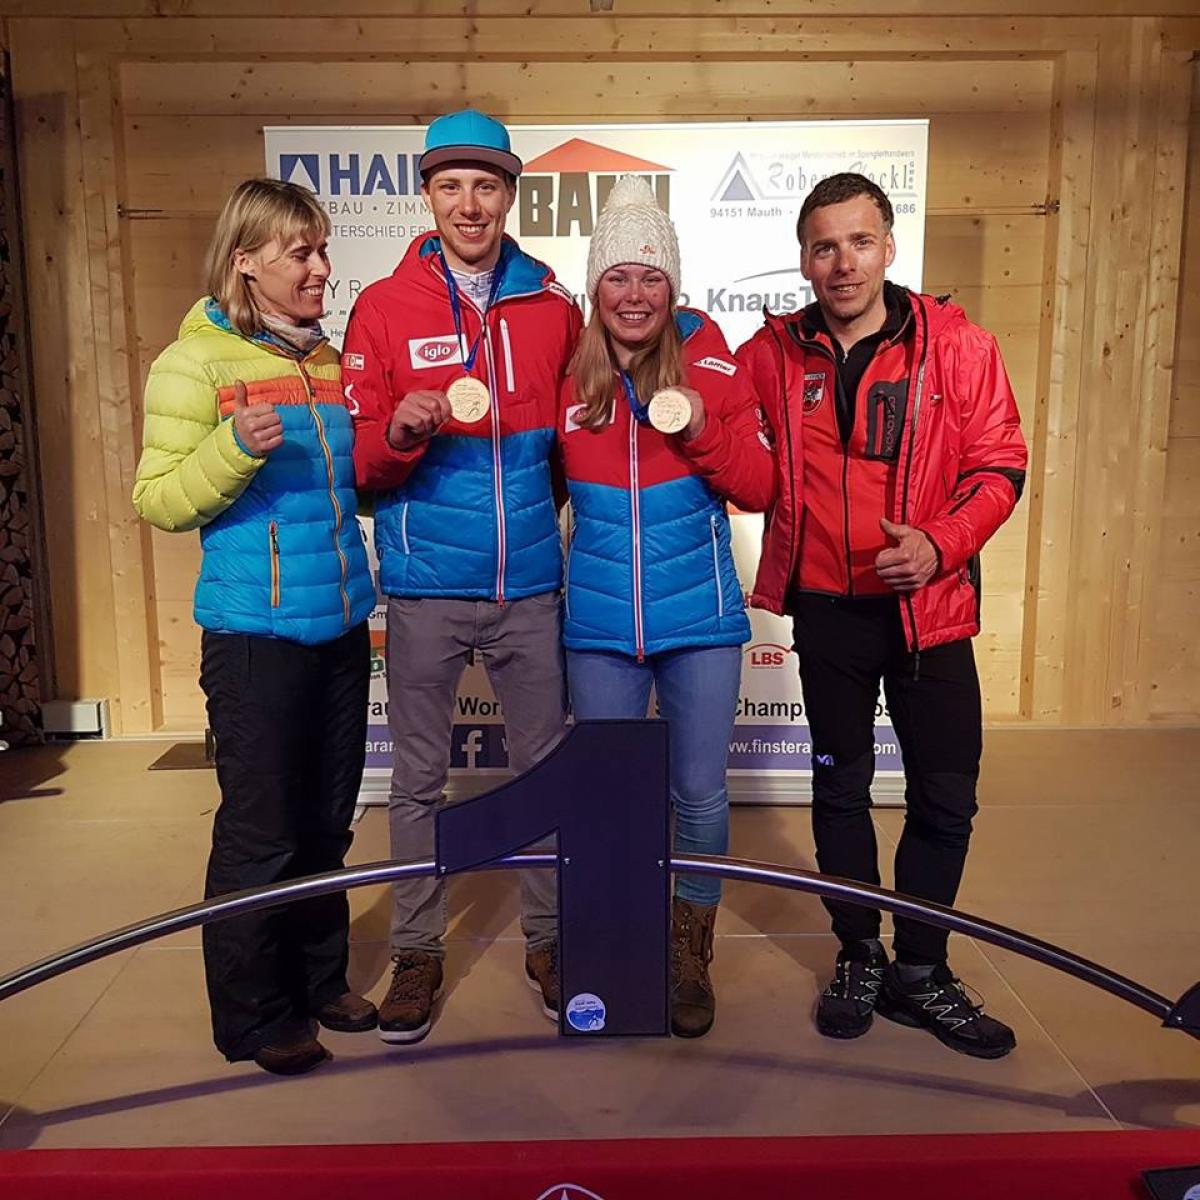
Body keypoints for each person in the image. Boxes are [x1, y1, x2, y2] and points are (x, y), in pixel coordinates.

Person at [737, 172, 1028, 1059]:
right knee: (839, 789)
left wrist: (942, 543)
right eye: (824, 246)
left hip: (929, 614)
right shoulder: (773, 351)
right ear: (803, 257)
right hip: (828, 615)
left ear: (890, 247)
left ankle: (922, 968)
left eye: (859, 242)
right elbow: (707, 417)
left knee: (946, 797)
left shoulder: (958, 344)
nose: (842, 263)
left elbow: (1001, 462)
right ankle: (860, 953)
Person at [343, 110, 581, 1044]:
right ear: (429, 196)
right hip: (425, 585)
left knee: (544, 773)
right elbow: (362, 465)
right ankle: (418, 952)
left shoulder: (552, 304)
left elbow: (577, 448)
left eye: (486, 186)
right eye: (451, 185)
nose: (469, 203)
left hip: (529, 585)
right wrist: (400, 433)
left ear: (510, 195)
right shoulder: (383, 306)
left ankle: (550, 939)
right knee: (416, 781)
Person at [132, 178, 377, 1076]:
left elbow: (353, 487)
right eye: (299, 253)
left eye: (321, 249)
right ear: (246, 262)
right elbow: (156, 499)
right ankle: (251, 1013)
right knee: (260, 832)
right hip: (252, 638)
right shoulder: (191, 364)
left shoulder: (329, 361)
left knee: (326, 823)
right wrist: (233, 447)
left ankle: (320, 981)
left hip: (341, 626)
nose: (320, 268)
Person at [559, 176, 775, 1038]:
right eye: (618, 276)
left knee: (697, 793)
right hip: (601, 626)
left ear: (674, 287)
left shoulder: (715, 360)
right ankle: (615, 943)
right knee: (611, 796)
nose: (635, 293)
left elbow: (758, 485)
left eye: (652, 276)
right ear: (595, 287)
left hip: (702, 622)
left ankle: (691, 944)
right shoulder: (568, 375)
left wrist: (696, 428)